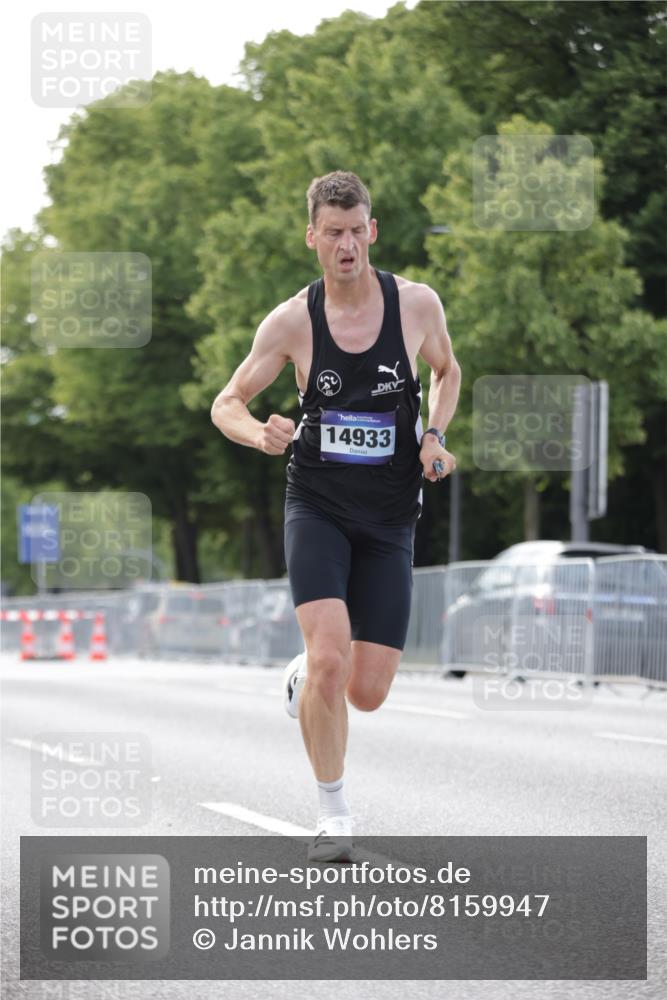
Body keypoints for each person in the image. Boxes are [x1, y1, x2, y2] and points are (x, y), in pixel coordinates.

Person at [211, 171, 461, 861]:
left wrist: (433, 436)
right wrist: (256, 432)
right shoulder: (293, 320)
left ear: (371, 231)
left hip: (388, 515)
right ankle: (333, 815)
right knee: (330, 658)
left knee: (369, 691)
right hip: (316, 503)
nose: (346, 244)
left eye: (357, 231)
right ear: (313, 238)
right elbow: (225, 402)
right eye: (333, 233)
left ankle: (306, 675)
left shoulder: (415, 305)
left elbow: (448, 370)